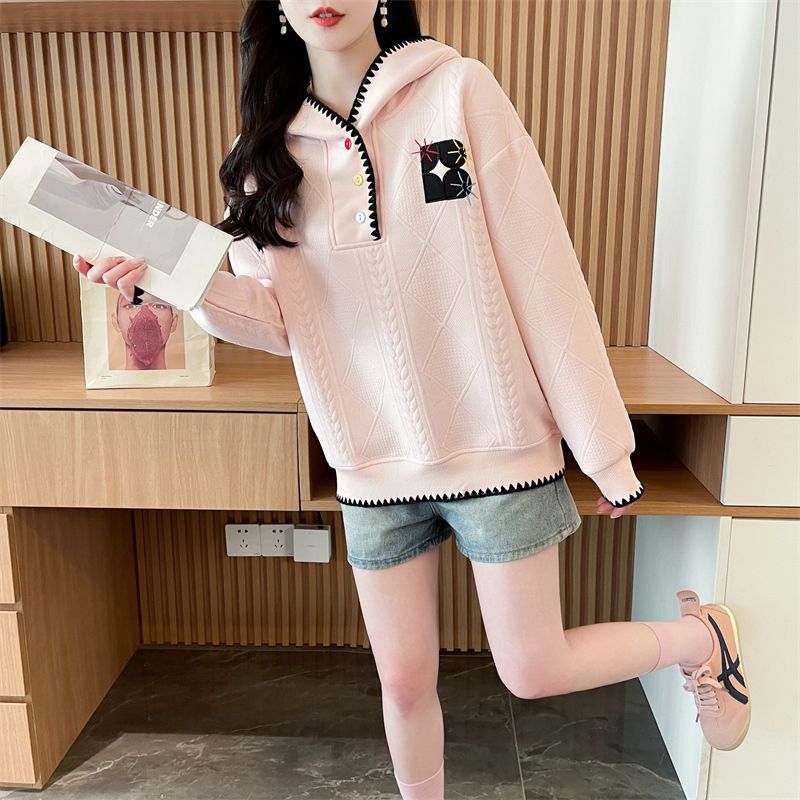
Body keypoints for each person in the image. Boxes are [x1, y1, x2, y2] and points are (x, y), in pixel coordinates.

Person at [73, 1, 751, 796]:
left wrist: (603, 446)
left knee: (533, 668)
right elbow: (279, 322)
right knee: (401, 682)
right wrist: (171, 277)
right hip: (370, 459)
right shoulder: (261, 153)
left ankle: (700, 639)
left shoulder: (458, 92)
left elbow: (542, 270)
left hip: (498, 443)